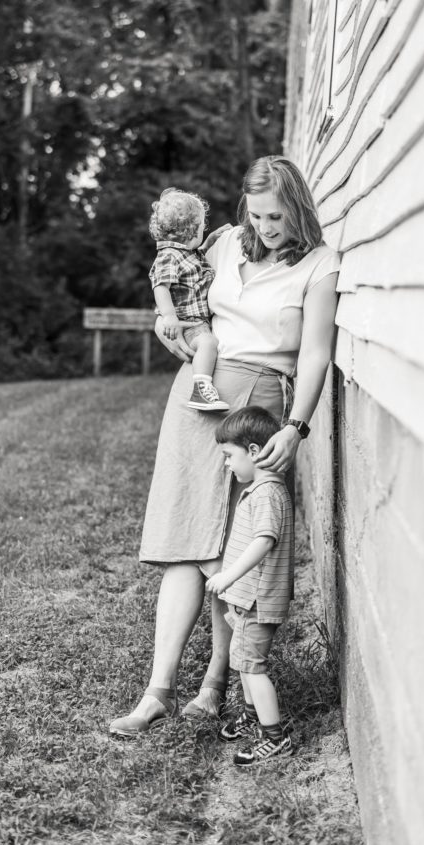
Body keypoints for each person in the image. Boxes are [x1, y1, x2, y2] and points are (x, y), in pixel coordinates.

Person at [109, 155, 339, 738]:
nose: (265, 227)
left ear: (299, 209)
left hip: (259, 405)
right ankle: (157, 690)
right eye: (257, 214)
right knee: (187, 536)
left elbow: (314, 354)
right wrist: (173, 332)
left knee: (231, 549)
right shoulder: (224, 246)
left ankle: (216, 681)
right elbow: (181, 299)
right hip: (197, 396)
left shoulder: (317, 265)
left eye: (277, 215)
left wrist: (297, 426)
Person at [206, 406, 294, 768]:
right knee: (244, 664)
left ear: (255, 451)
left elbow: (264, 540)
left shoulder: (267, 493)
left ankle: (275, 737)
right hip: (248, 602)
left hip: (257, 601)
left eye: (230, 456)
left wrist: (229, 577)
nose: (228, 464)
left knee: (253, 668)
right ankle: (250, 716)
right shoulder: (260, 489)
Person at [149, 188, 229, 412]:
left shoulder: (185, 254)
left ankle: (202, 386)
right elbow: (161, 286)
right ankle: (201, 389)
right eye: (204, 226)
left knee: (208, 343)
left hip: (195, 321)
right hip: (186, 323)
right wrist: (169, 317)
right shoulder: (168, 256)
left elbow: (194, 263)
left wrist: (210, 241)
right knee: (208, 343)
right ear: (191, 229)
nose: (205, 228)